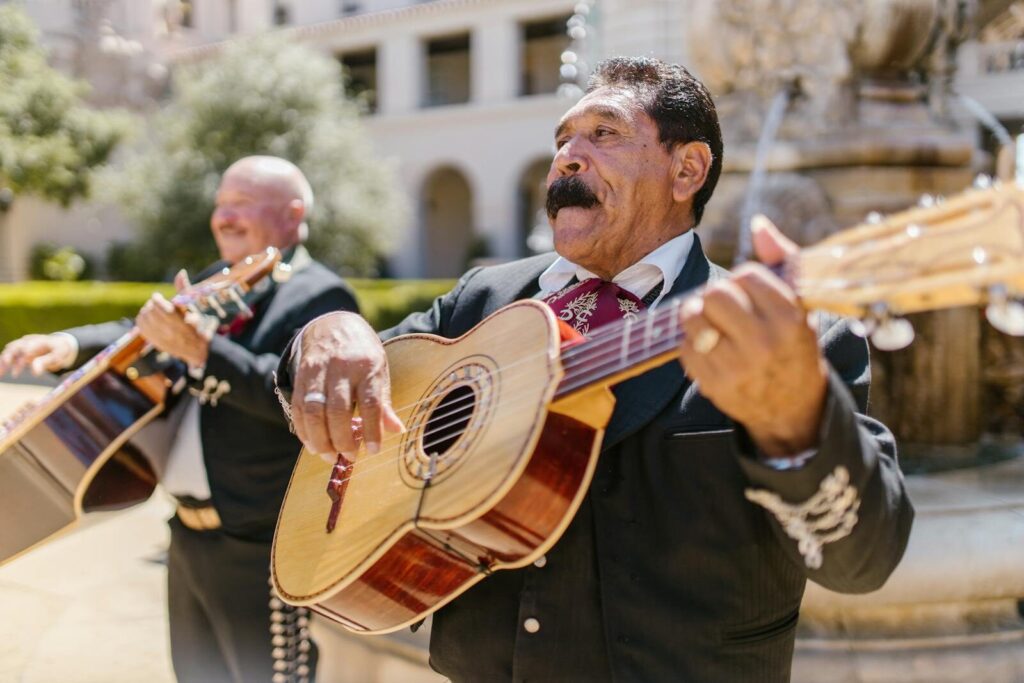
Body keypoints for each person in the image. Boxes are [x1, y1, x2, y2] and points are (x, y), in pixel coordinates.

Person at [279, 58, 914, 682]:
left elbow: (863, 561)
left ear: (687, 169)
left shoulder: (799, 339)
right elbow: (347, 379)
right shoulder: (483, 299)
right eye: (562, 141)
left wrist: (796, 421)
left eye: (603, 134)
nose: (566, 157)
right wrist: (327, 331)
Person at [0, 156, 358, 683]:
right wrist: (66, 343)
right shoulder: (223, 278)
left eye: (241, 204)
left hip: (259, 545)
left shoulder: (322, 296)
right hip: (188, 537)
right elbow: (143, 329)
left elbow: (293, 398)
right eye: (220, 206)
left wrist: (202, 351)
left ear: (293, 213)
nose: (224, 218)